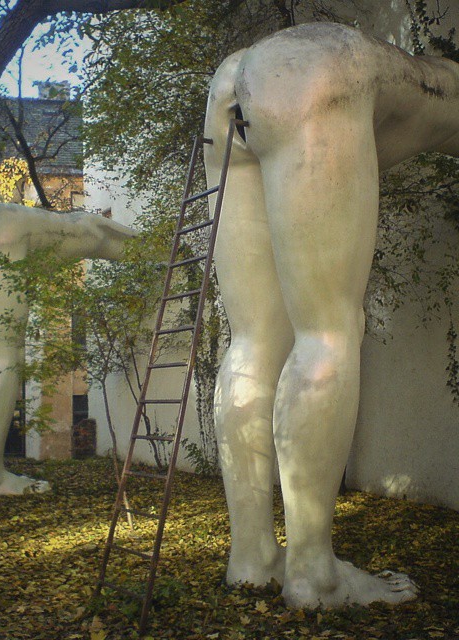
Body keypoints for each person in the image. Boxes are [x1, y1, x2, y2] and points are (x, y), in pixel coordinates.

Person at [204, 22, 459, 607]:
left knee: (251, 339)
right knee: (328, 332)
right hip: (313, 77)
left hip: (229, 89)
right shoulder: (437, 84)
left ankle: (251, 557)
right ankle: (314, 574)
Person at [0, 204, 137, 496]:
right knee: (4, 359)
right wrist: (158, 250)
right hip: (2, 234)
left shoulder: (52, 225)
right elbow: (115, 240)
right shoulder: (90, 229)